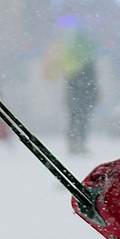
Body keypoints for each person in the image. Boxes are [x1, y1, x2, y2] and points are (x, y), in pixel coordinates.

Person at [44, 20, 100, 154]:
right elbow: (92, 82)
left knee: (74, 119)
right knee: (81, 120)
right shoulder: (86, 62)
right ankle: (79, 144)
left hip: (74, 96)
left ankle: (73, 144)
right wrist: (94, 94)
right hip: (83, 96)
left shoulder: (71, 63)